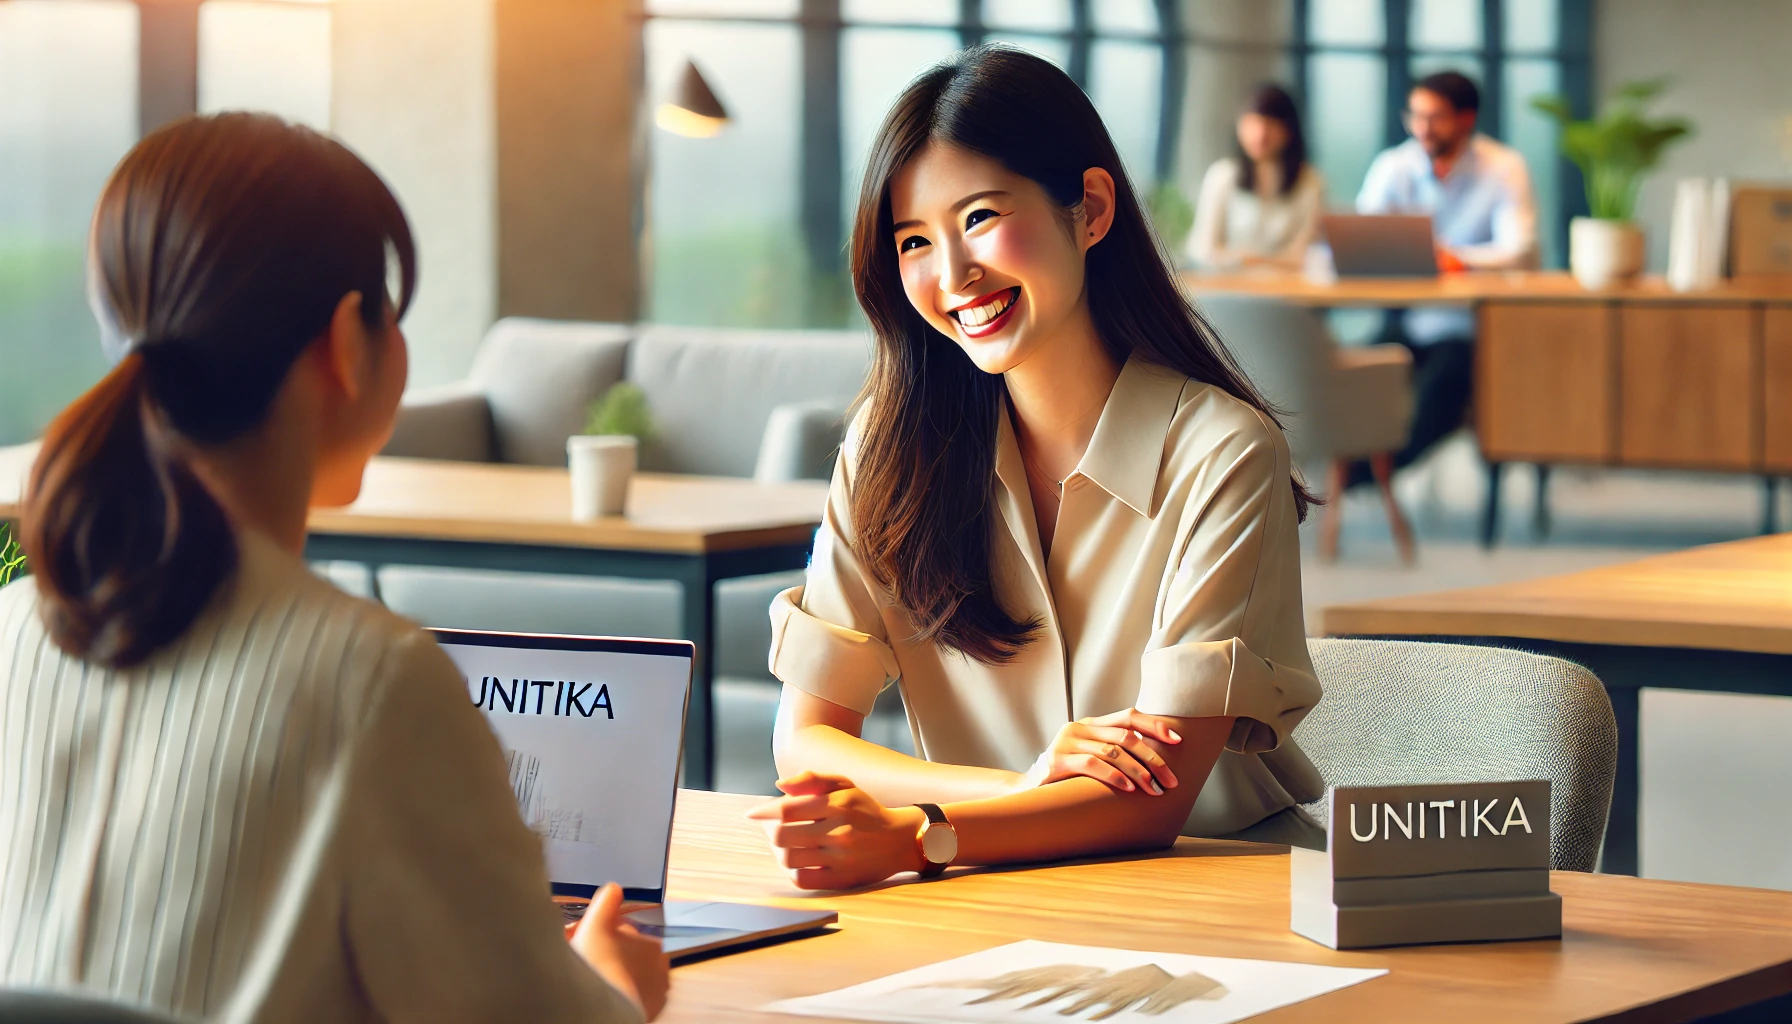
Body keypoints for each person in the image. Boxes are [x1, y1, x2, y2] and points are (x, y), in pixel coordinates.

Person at [0, 113, 667, 1023]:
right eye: (394, 311)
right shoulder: (374, 682)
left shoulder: (12, 630)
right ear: (349, 339)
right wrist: (615, 988)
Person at [751, 46, 1324, 892]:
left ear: (1090, 210)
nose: (953, 275)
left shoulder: (1223, 452)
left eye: (980, 217)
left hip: (1222, 887)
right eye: (914, 240)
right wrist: (1015, 791)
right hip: (997, 888)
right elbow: (803, 742)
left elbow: (1148, 805)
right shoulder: (887, 446)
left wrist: (922, 836)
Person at [1355, 70, 1538, 473]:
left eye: (1435, 117)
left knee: (1435, 401)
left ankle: (1356, 479)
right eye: (1415, 116)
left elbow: (1520, 250)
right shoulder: (1394, 166)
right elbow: (1362, 235)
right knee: (1352, 381)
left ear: (1466, 118)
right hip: (1406, 318)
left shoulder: (1503, 167)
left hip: (1469, 327)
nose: (1422, 128)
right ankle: (1343, 475)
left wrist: (1457, 259)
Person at [1187, 84, 1325, 271]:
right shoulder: (1223, 175)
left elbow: (1308, 256)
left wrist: (1247, 260)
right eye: (1252, 123)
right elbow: (1204, 249)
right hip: (1229, 290)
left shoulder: (1310, 181)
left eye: (1270, 125)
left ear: (1289, 130)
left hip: (1289, 293)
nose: (1260, 135)